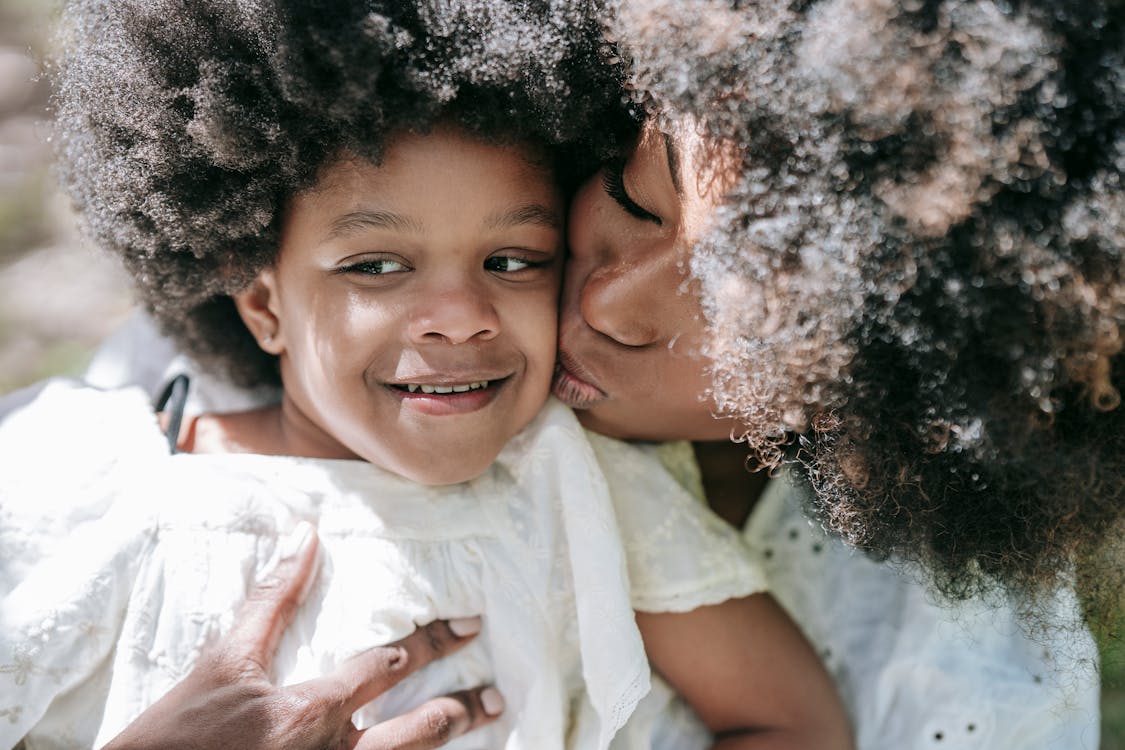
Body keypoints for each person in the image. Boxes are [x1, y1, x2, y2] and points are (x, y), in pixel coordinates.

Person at [17, 0, 1119, 747]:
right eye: (634, 201)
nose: (603, 303)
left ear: (879, 382)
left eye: (735, 304)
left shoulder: (964, 681)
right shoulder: (121, 448)